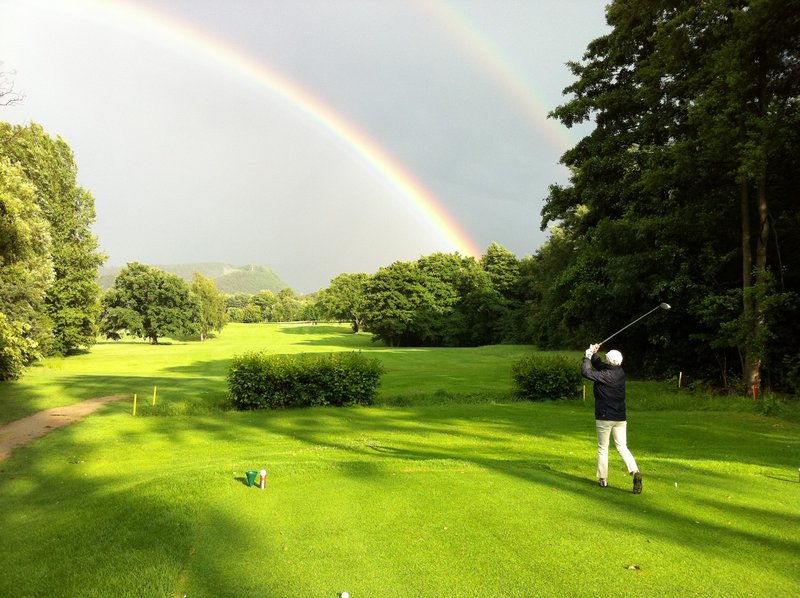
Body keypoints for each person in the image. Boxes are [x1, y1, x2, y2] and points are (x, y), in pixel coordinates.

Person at [581, 344, 642, 494]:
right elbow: (600, 365)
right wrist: (594, 354)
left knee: (603, 448)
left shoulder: (605, 375)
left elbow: (586, 372)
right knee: (622, 447)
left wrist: (587, 356)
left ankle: (603, 479)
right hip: (620, 418)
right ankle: (635, 471)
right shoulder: (619, 372)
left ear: (609, 361)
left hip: (604, 416)